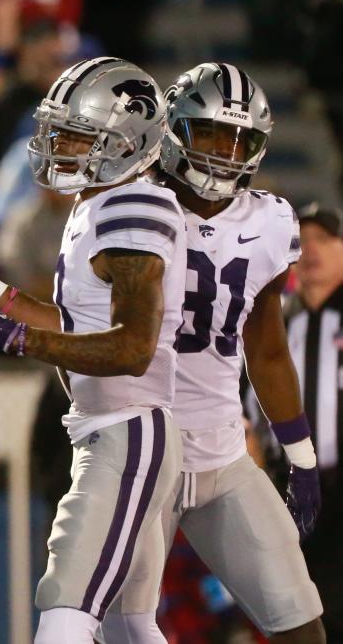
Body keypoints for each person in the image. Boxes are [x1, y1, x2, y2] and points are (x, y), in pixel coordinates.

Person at [0, 57, 186, 643]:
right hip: (116, 426)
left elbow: (131, 348)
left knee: (64, 609)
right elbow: (76, 322)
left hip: (127, 428)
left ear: (126, 141)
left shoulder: (133, 209)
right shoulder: (97, 205)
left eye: (76, 134)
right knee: (130, 624)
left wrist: (19, 339)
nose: (58, 145)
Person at [98, 63, 326, 642]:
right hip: (140, 454)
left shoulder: (271, 220)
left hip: (222, 454)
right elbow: (88, 328)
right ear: (173, 130)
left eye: (238, 139)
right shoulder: (128, 206)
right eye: (209, 134)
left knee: (302, 624)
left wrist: (299, 455)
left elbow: (267, 348)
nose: (225, 153)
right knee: (130, 629)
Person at [284, 202, 343, 640]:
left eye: (326, 239)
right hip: (287, 497)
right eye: (302, 241)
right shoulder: (273, 324)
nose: (312, 250)